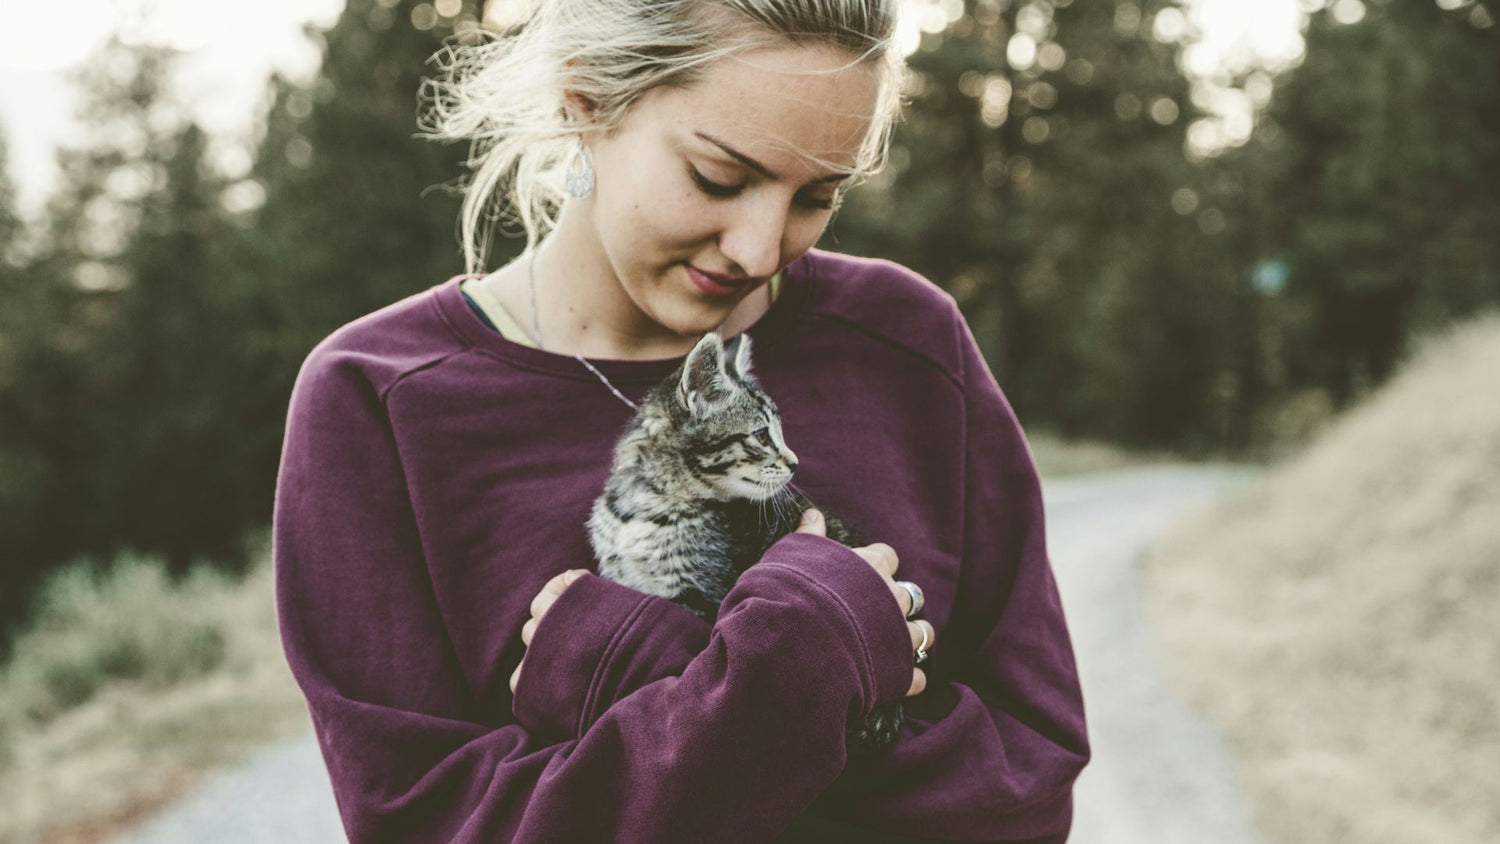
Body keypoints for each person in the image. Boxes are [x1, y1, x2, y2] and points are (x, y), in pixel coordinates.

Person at [273, 0, 1090, 840]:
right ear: (586, 97)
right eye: (719, 179)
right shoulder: (378, 402)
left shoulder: (907, 346)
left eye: (817, 194)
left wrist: (636, 675)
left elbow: (1024, 791)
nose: (761, 250)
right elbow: (434, 825)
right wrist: (803, 662)